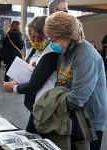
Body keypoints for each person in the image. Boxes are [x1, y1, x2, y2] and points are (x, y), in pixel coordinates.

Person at [44, 11, 107, 150]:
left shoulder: (86, 56)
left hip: (89, 120)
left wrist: (50, 104)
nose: (50, 43)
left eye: (52, 38)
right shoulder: (65, 53)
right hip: (73, 116)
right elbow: (60, 84)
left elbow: (77, 98)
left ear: (66, 36)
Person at [3, 16, 60, 135]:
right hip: (37, 105)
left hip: (45, 107)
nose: (37, 40)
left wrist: (13, 88)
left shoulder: (51, 53)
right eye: (33, 36)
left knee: (33, 136)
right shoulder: (36, 49)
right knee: (31, 135)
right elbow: (31, 70)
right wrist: (17, 81)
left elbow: (35, 84)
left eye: (41, 36)